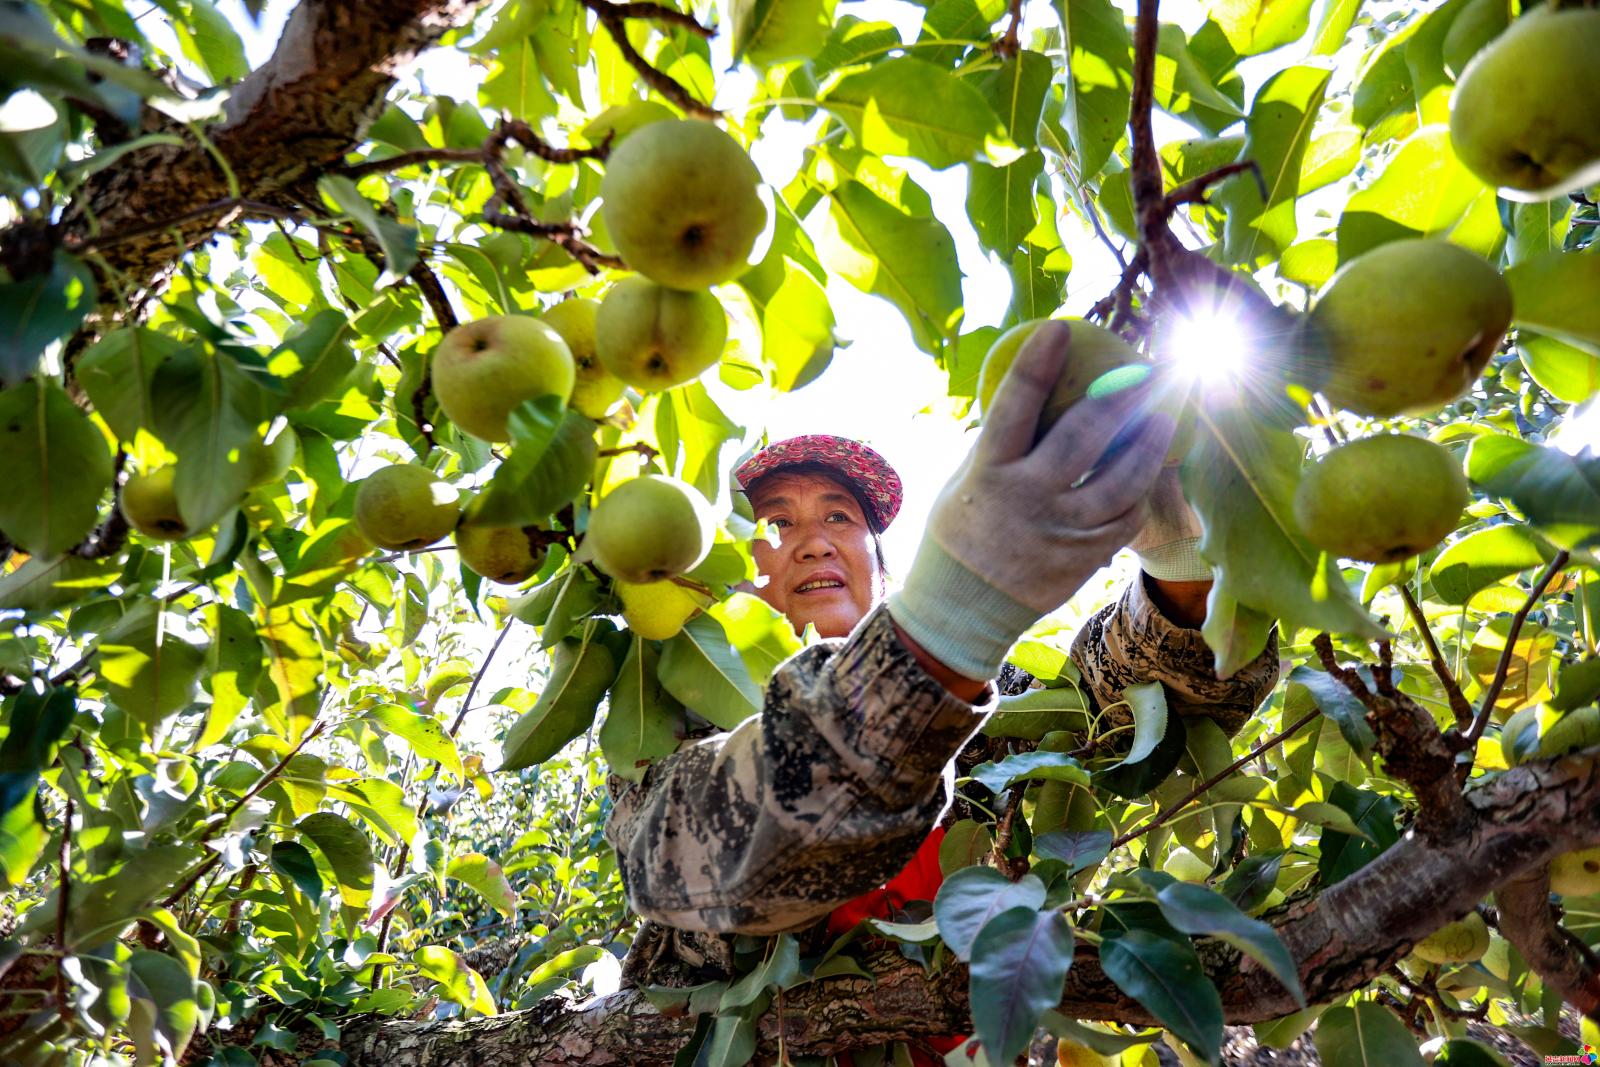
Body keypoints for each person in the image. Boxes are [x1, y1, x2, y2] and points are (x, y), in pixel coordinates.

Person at [605, 323, 1280, 1002]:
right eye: (776, 522)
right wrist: (941, 632)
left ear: (882, 561)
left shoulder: (978, 697)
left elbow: (1113, 714)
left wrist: (1185, 568)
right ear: (729, 570)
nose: (813, 542)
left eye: (841, 516)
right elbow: (704, 857)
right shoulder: (673, 720)